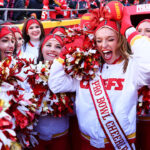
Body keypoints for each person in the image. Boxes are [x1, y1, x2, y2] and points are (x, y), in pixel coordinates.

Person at [49, 3, 150, 150]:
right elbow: (56, 84)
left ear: (120, 40)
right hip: (87, 142)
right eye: (99, 40)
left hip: (120, 143)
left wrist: (128, 29)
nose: (104, 45)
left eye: (110, 39)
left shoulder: (132, 66)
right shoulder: (85, 67)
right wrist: (66, 51)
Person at [32, 34, 72, 150]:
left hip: (61, 136)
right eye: (48, 45)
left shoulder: (70, 74)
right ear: (41, 48)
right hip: (36, 137)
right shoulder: (30, 72)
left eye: (58, 47)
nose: (52, 49)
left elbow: (74, 111)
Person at [135, 19, 150, 150]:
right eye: (138, 31)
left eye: (148, 31)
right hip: (134, 122)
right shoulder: (129, 59)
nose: (142, 34)